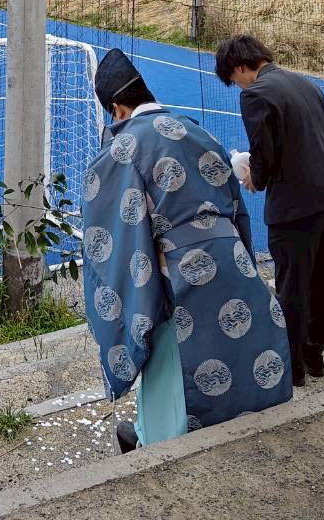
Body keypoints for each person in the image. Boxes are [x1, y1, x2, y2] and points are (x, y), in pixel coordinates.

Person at [83, 48, 292, 452]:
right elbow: (236, 207)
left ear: (118, 108)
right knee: (231, 345)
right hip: (230, 256)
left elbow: (110, 234)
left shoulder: (122, 149)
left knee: (173, 362)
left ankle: (157, 440)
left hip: (175, 273)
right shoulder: (197, 130)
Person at [214, 34, 324, 387]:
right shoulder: (305, 83)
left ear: (240, 67)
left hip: (297, 204)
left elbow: (265, 149)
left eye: (234, 79)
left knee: (292, 284)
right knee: (323, 277)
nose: (237, 86)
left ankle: (291, 368)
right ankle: (314, 355)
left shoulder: (256, 93)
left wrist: (253, 177)